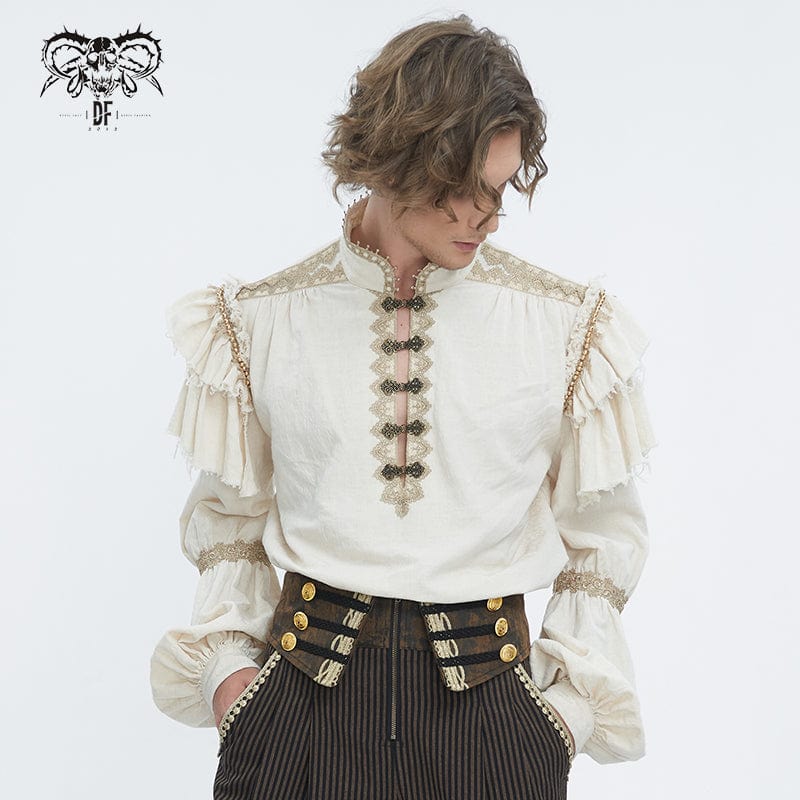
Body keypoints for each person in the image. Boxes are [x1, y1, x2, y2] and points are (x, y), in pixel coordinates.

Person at [150, 14, 655, 800]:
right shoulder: (261, 320)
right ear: (390, 160)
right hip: (298, 716)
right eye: (461, 189)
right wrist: (231, 687)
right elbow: (228, 525)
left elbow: (603, 539)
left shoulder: (565, 326)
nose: (486, 216)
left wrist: (561, 720)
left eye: (499, 189)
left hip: (492, 726)